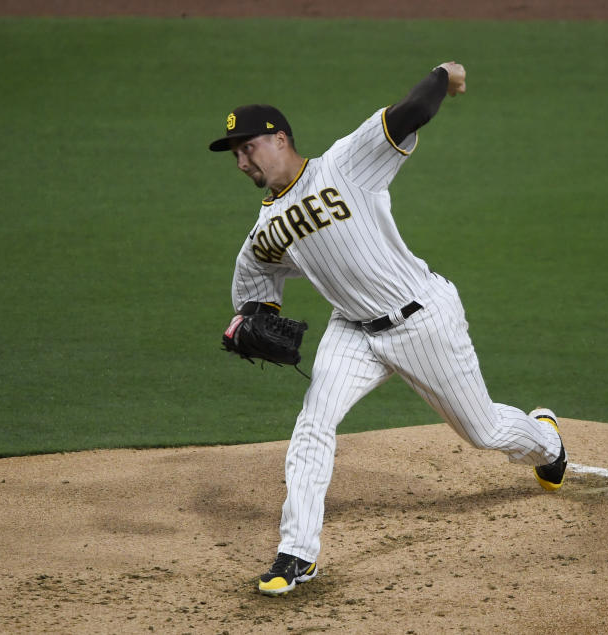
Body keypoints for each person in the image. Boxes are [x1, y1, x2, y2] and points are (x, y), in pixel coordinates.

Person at [208, 61, 567, 596]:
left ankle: (545, 440)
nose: (241, 161)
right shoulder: (264, 232)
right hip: (353, 332)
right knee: (312, 424)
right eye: (234, 154)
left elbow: (412, 112)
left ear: (280, 139)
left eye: (248, 148)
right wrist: (251, 323)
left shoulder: (346, 164)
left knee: (483, 432)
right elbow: (255, 292)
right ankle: (296, 554)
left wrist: (442, 74)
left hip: (423, 318)